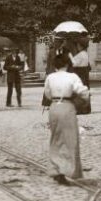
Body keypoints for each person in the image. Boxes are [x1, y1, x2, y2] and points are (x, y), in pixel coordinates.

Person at [42, 53, 89, 184]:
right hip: (67, 106)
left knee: (55, 138)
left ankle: (56, 168)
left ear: (55, 65)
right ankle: (67, 169)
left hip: (54, 107)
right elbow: (82, 91)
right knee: (70, 139)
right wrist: (84, 99)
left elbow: (47, 93)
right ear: (68, 64)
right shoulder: (72, 76)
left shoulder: (50, 77)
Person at [68, 38, 92, 115]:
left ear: (81, 46)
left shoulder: (81, 54)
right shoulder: (85, 53)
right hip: (84, 73)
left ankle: (81, 108)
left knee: (79, 89)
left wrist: (70, 55)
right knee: (85, 88)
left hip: (80, 73)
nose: (77, 47)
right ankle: (86, 107)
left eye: (78, 45)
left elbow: (74, 63)